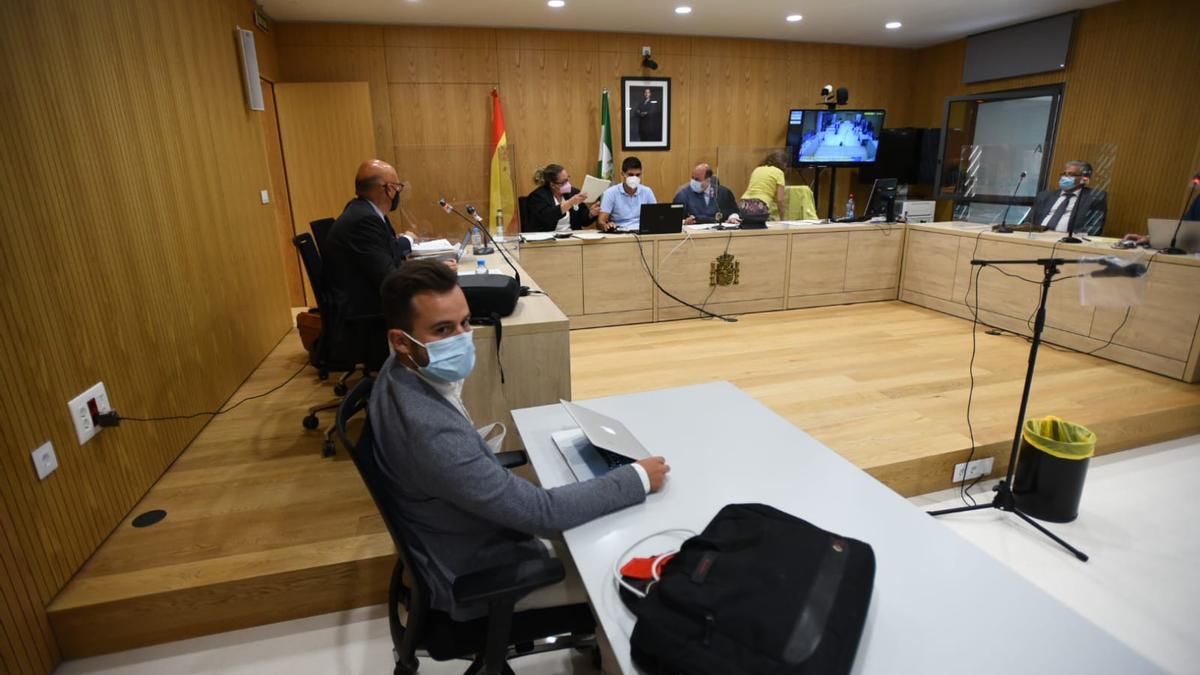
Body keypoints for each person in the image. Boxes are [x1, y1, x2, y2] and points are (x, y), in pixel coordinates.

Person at [368, 259, 671, 620]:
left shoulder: (397, 374)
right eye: (443, 329)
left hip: (457, 535)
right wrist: (635, 477)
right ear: (401, 341)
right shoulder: (430, 430)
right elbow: (544, 515)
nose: (462, 338)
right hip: (482, 574)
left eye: (465, 322)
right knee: (626, 564)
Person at [322, 159, 416, 369]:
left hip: (360, 297)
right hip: (364, 309)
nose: (398, 192)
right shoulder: (364, 220)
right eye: (398, 186)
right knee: (429, 303)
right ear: (389, 189)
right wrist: (429, 273)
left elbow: (389, 253)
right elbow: (389, 278)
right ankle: (415, 380)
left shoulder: (363, 211)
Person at [1023, 160, 1108, 235]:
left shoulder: (1095, 198)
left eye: (1071, 175)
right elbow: (1028, 221)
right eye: (1064, 174)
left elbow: (1095, 228)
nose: (1064, 177)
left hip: (1069, 242)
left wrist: (1072, 239)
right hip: (1038, 237)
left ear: (1084, 179)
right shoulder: (1045, 196)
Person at [524, 163, 600, 233]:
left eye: (568, 179)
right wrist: (570, 203)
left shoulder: (573, 193)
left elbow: (583, 221)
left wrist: (591, 214)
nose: (568, 184)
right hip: (548, 240)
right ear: (552, 185)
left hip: (572, 238)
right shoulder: (537, 196)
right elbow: (547, 218)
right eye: (564, 182)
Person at [598, 156, 657, 232]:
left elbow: (655, 217)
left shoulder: (647, 191)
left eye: (637, 175)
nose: (634, 178)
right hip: (620, 231)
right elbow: (601, 221)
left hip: (642, 231)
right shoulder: (611, 193)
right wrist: (606, 225)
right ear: (623, 174)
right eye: (630, 175)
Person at [672, 163, 740, 225]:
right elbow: (673, 219)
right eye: (692, 178)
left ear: (708, 180)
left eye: (697, 179)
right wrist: (685, 222)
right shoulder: (683, 195)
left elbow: (734, 212)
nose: (693, 182)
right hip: (692, 235)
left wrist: (733, 218)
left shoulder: (723, 193)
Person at [740, 150, 789, 221]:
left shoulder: (757, 169)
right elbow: (780, 200)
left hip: (743, 203)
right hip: (759, 205)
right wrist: (782, 218)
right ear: (783, 164)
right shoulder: (779, 173)